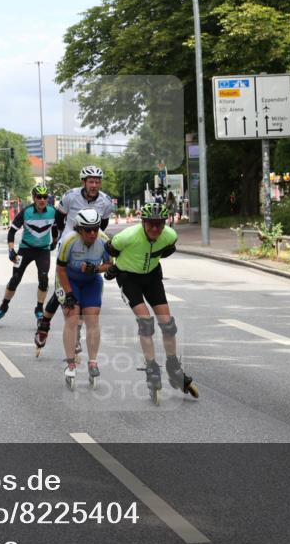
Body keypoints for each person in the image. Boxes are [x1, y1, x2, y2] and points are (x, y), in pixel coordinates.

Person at [104, 202, 198, 401]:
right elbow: (109, 248)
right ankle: (152, 367)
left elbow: (167, 249)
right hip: (129, 277)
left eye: (159, 224)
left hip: (152, 276)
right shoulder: (127, 237)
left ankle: (173, 367)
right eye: (151, 224)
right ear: (143, 222)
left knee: (168, 324)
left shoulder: (170, 236)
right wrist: (113, 267)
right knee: (146, 323)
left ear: (165, 224)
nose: (155, 228)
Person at [35, 165, 114, 353]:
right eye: (91, 181)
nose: (94, 185)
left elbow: (102, 224)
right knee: (64, 291)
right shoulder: (70, 196)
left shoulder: (106, 201)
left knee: (83, 289)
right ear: (84, 182)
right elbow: (59, 218)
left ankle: (75, 334)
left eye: (97, 181)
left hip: (90, 242)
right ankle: (45, 324)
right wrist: (62, 237)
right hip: (70, 244)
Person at [0, 186, 58, 327]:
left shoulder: (52, 211)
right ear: (34, 198)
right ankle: (3, 307)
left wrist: (54, 242)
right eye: (39, 197)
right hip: (25, 250)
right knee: (15, 279)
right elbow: (11, 232)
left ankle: (39, 309)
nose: (42, 200)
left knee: (44, 279)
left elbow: (55, 228)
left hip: (43, 250)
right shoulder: (25, 213)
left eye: (45, 197)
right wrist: (11, 250)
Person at [55, 208, 112, 387]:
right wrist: (69, 294)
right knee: (72, 318)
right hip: (68, 280)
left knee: (92, 319)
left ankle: (93, 361)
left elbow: (110, 264)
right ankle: (71, 362)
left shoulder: (104, 241)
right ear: (79, 229)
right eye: (88, 230)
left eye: (95, 228)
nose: (93, 233)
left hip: (91, 281)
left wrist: (95, 269)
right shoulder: (68, 241)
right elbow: (60, 269)